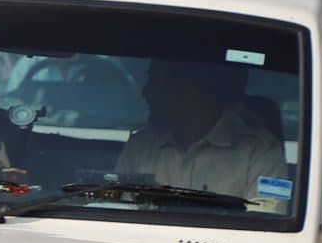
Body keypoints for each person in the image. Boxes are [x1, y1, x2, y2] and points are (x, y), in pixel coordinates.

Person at [114, 58, 294, 210]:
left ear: (193, 92)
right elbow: (115, 209)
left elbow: (267, 225)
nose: (145, 92)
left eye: (157, 83)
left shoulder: (262, 153)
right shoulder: (140, 147)